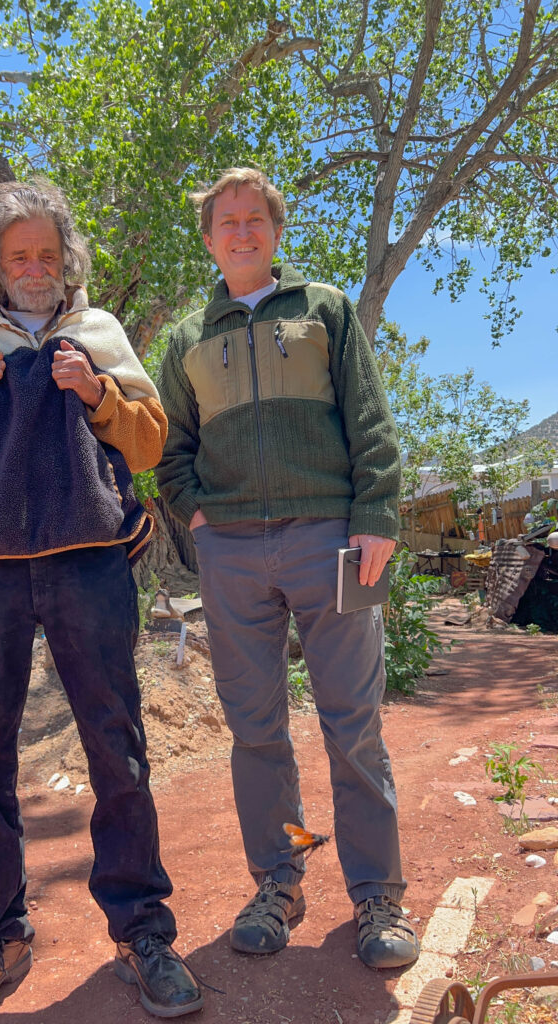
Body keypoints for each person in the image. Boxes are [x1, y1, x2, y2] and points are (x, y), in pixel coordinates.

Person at [0, 180, 203, 1022]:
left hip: (89, 562)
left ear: (65, 259)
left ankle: (143, 932)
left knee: (117, 747)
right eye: (16, 256)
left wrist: (98, 392)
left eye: (46, 254)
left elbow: (148, 441)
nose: (33, 269)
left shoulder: (98, 333)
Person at [155, 167, 420, 969]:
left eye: (254, 219)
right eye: (226, 222)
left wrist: (375, 515)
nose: (241, 232)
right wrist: (199, 518)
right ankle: (280, 879)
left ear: (275, 231)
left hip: (329, 538)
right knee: (256, 730)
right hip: (232, 554)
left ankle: (377, 897)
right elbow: (171, 452)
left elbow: (369, 420)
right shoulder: (184, 339)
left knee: (353, 724)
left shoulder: (326, 311)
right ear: (209, 239)